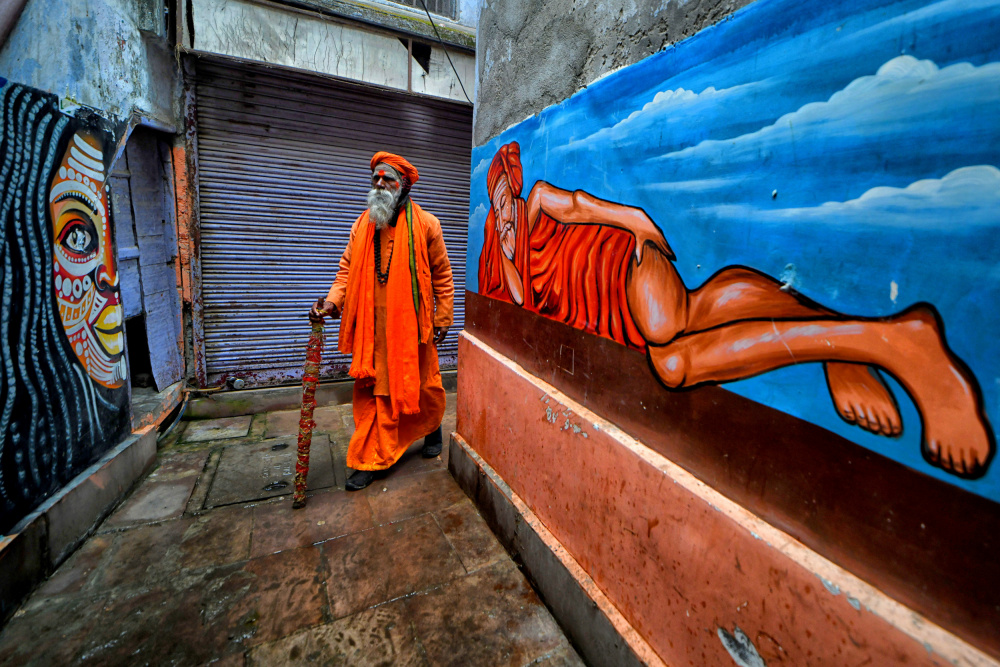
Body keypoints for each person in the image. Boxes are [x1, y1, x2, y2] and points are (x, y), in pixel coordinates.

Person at [479, 141, 994, 479]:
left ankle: (893, 342)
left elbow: (577, 206)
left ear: (515, 190)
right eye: (498, 202)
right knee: (698, 313)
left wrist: (636, 219)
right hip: (619, 318)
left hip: (625, 270)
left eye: (507, 199)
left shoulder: (536, 202)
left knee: (673, 354)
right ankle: (846, 345)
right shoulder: (492, 262)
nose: (505, 212)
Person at [311, 151, 454, 490]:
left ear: (403, 185)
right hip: (372, 331)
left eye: (387, 179)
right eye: (375, 178)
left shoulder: (428, 224)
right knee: (374, 394)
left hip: (413, 328)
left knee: (424, 386)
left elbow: (442, 275)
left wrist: (442, 317)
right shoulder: (362, 225)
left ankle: (431, 427)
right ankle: (370, 458)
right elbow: (345, 273)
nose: (379, 184)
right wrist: (331, 303)